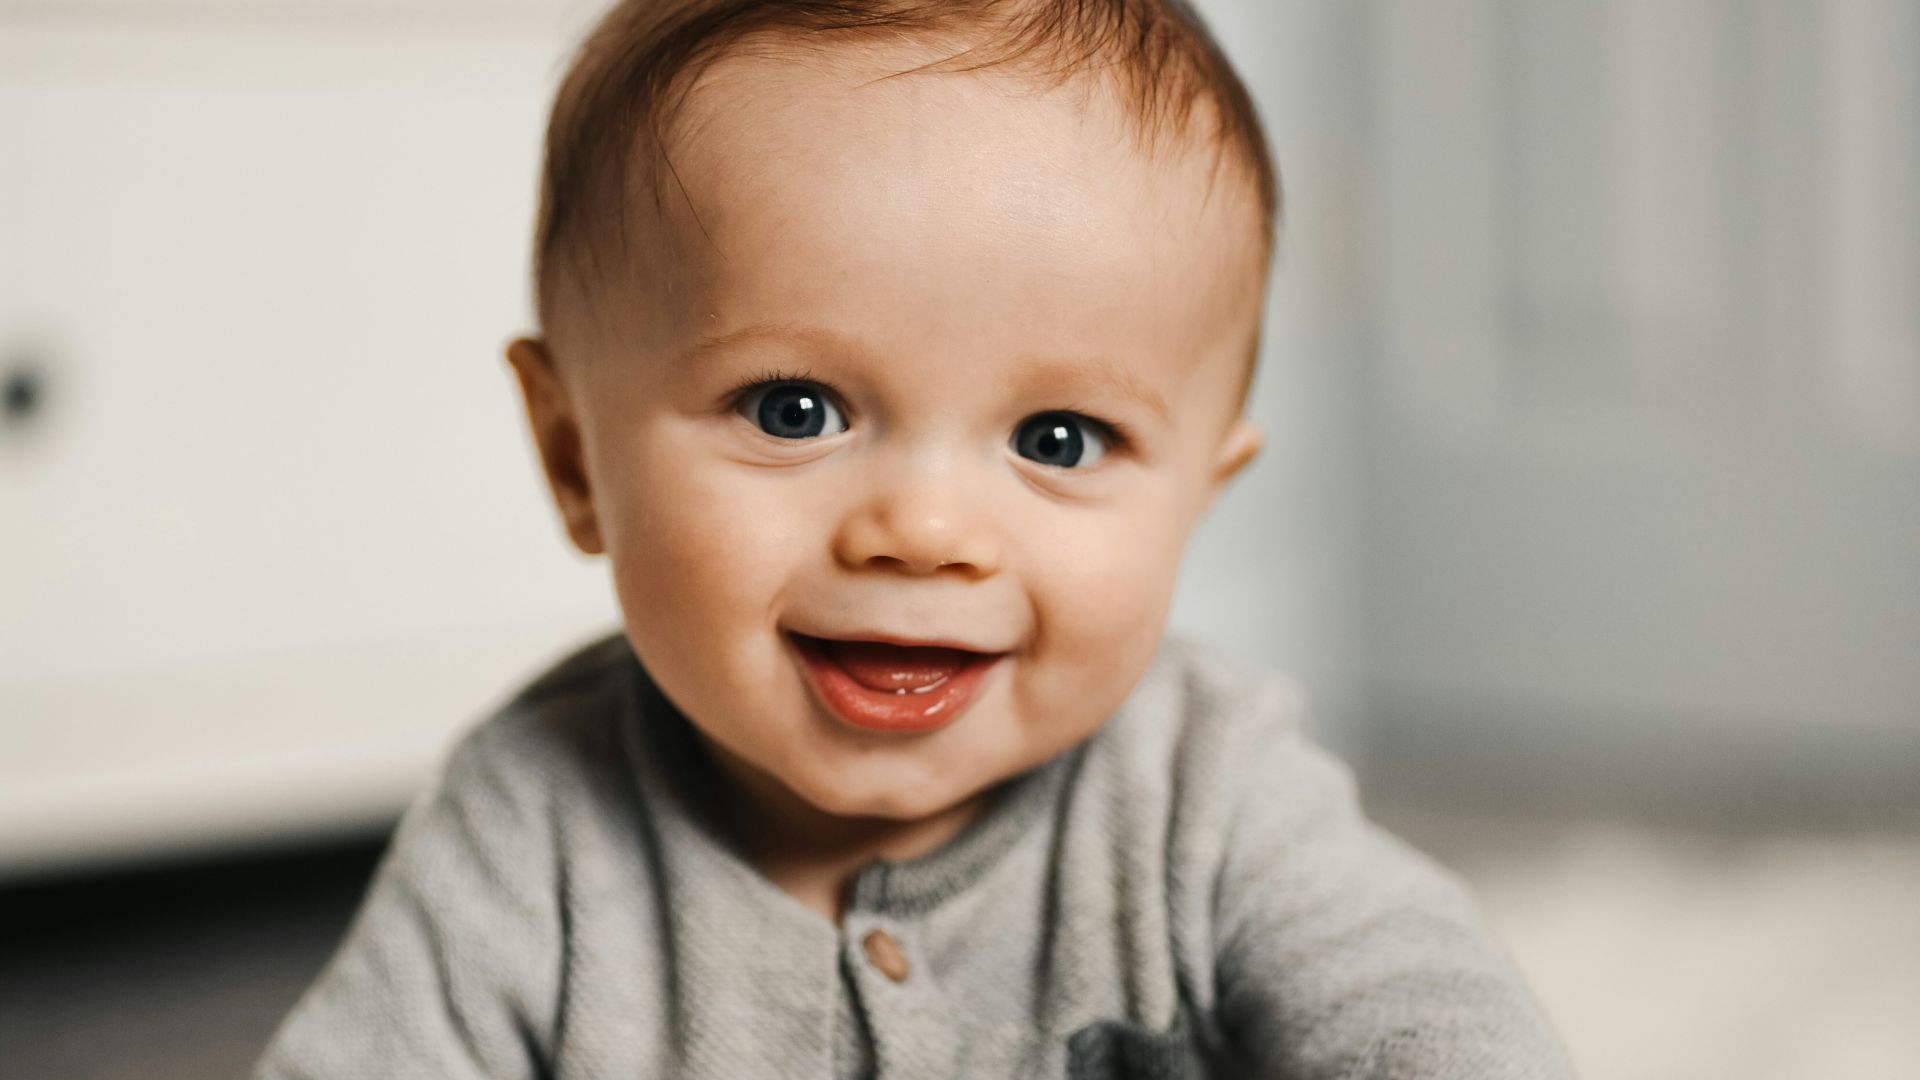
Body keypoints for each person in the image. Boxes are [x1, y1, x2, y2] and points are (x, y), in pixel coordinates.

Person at [256, 1, 1573, 1076]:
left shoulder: (1206, 793)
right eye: (796, 409)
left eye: (1058, 439)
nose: (926, 533)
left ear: (1197, 501)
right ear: (571, 458)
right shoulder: (532, 822)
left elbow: (1421, 1006)